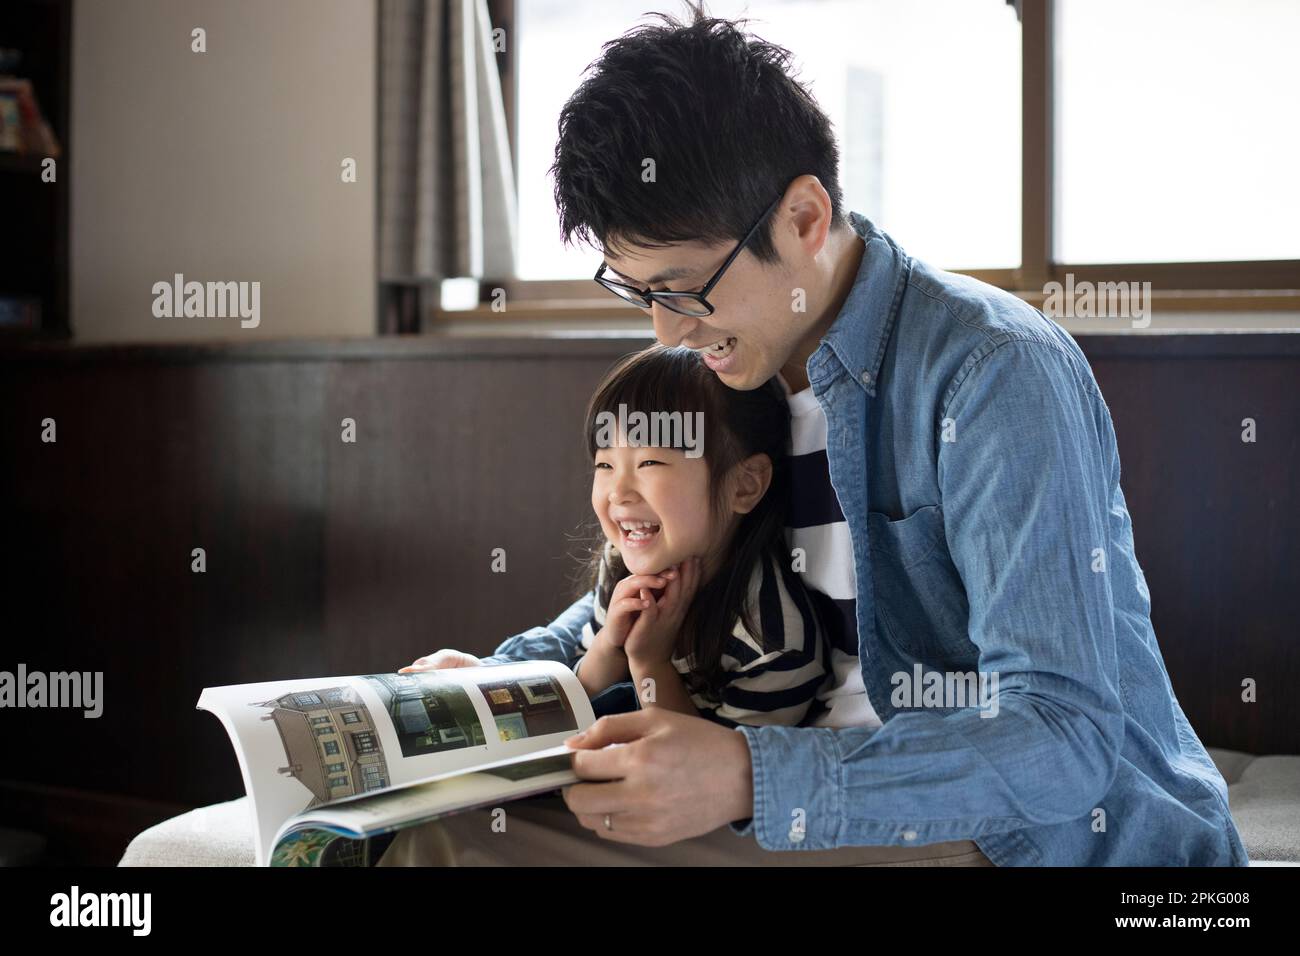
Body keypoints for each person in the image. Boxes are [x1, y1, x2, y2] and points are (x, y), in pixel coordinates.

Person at [379, 3, 1247, 866]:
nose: (664, 333)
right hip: (783, 798)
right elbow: (648, 584)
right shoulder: (732, 375)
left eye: (682, 289)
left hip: (1005, 833)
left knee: (458, 844)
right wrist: (499, 681)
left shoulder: (992, 372)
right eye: (637, 291)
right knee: (427, 815)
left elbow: (1061, 736)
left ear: (803, 217)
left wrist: (748, 779)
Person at [402, 343, 836, 731]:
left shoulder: (774, 644)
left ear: (744, 485)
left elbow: (705, 770)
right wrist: (610, 646)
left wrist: (649, 661)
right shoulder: (623, 564)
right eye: (605, 466)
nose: (619, 493)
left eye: (650, 464)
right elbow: (584, 682)